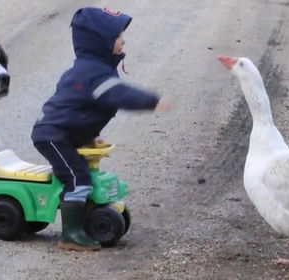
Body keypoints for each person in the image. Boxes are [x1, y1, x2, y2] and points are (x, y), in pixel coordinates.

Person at [31, 7, 170, 251]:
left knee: (80, 173)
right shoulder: (93, 74)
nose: (123, 40)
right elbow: (119, 94)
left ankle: (83, 219)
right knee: (77, 179)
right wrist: (151, 101)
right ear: (101, 41)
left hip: (62, 133)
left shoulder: (92, 70)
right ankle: (70, 235)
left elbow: (77, 107)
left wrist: (89, 134)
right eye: (118, 36)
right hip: (53, 136)